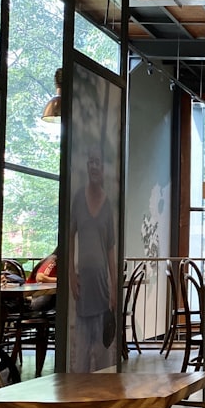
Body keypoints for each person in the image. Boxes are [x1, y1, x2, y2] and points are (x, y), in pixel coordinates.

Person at [69, 145, 117, 372]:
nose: (94, 166)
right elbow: (69, 238)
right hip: (82, 284)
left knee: (102, 349)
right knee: (82, 350)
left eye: (98, 162)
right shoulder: (78, 198)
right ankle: (78, 392)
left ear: (103, 168)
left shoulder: (107, 206)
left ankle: (102, 393)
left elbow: (110, 249)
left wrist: (114, 286)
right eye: (91, 162)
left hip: (101, 285)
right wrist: (70, 274)